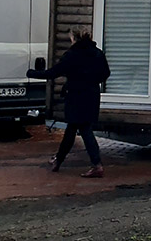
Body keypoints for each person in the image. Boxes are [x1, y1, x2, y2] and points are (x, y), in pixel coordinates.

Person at [27, 26, 111, 178]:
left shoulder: (72, 55)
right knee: (73, 129)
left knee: (83, 130)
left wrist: (31, 73)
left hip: (76, 96)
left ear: (74, 38)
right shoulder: (97, 53)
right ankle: (58, 160)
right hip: (91, 95)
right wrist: (92, 81)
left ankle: (96, 165)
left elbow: (52, 73)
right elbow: (106, 73)